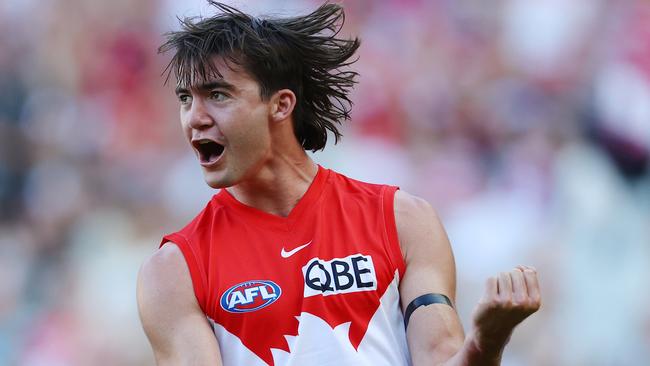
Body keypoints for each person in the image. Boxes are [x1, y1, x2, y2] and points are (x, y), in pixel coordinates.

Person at [136, 2, 541, 365]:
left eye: (217, 95)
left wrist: (488, 339)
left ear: (281, 105)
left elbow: (439, 358)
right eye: (185, 99)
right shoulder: (175, 271)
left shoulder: (401, 221)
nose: (194, 118)